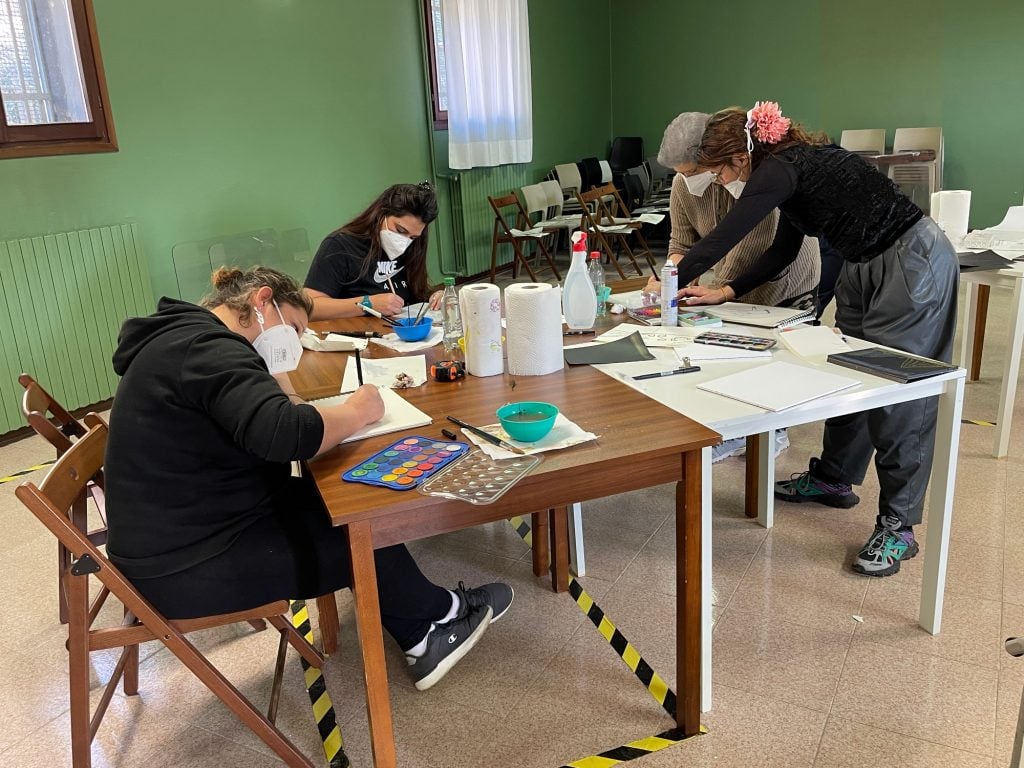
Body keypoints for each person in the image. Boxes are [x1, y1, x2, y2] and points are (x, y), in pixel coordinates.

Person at [104, 266, 513, 690]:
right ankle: (434, 626)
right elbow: (288, 434)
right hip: (185, 567)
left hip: (183, 534)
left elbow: (263, 417)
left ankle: (431, 618)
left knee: (348, 497)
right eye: (295, 328)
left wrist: (277, 380)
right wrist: (360, 411)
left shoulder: (189, 338)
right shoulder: (206, 349)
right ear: (262, 302)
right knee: (359, 524)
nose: (295, 341)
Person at [676, 102, 958, 577]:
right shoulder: (793, 171)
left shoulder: (782, 169)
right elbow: (783, 248)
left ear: (740, 158)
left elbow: (726, 235)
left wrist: (667, 279)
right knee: (848, 375)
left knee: (899, 397)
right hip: (862, 264)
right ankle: (834, 479)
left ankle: (900, 524)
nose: (718, 184)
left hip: (911, 263)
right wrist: (724, 291)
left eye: (715, 172)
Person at [652, 111, 821, 462]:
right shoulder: (685, 184)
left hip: (782, 277)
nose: (687, 180)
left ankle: (772, 432)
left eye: (694, 172)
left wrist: (718, 290)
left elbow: (751, 245)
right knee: (731, 357)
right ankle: (735, 427)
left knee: (771, 361)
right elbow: (681, 241)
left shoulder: (755, 178)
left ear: (714, 160)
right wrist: (671, 278)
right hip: (730, 282)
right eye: (680, 175)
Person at [305, 181, 444, 320]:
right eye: (400, 230)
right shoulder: (340, 245)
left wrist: (436, 296)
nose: (403, 243)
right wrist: (367, 304)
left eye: (412, 237)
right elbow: (310, 307)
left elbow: (418, 293)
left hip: (399, 334)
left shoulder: (413, 247)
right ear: (381, 213)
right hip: (359, 336)